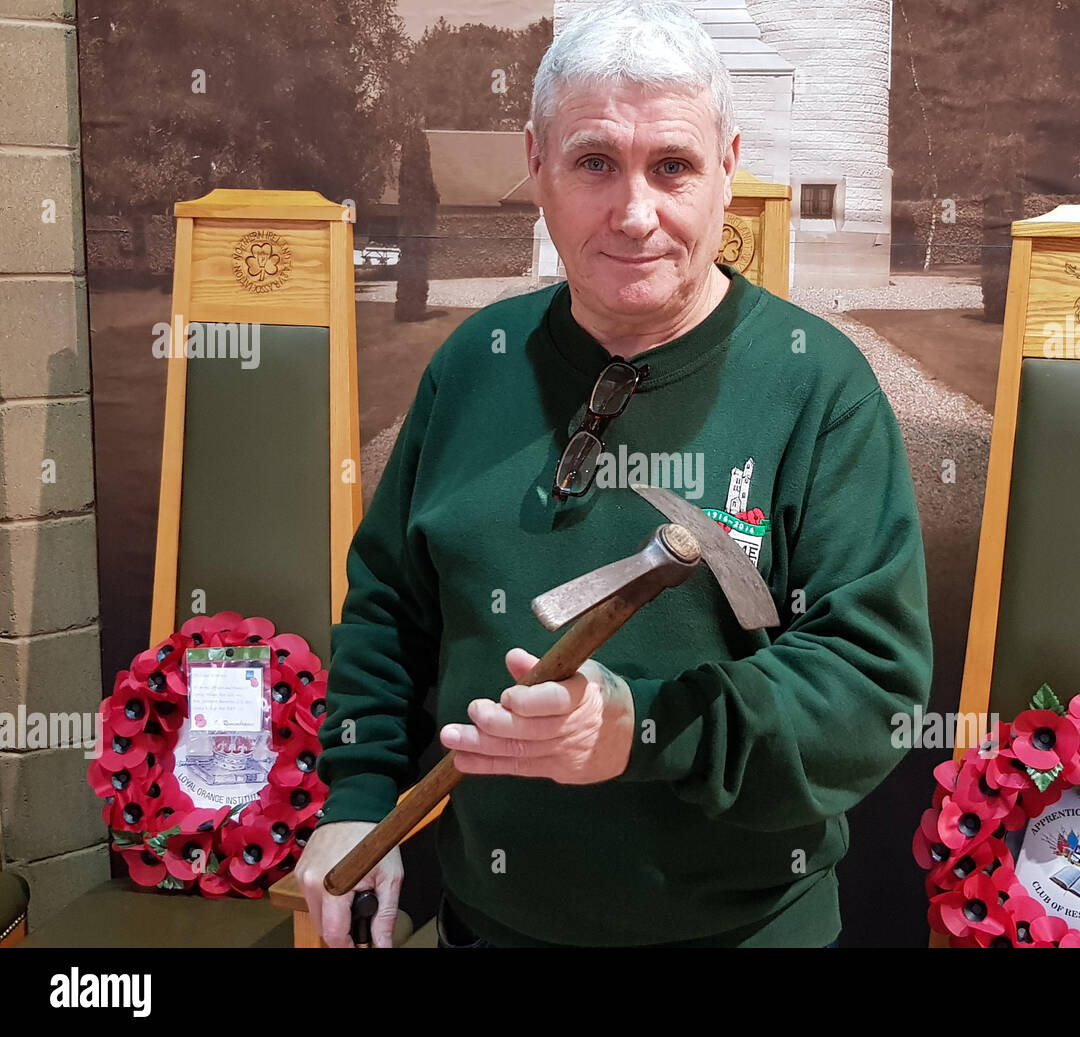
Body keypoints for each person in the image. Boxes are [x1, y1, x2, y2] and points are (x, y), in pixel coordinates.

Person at [296, 0, 933, 948]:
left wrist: (644, 731)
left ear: (727, 168)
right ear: (538, 163)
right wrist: (356, 793)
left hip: (745, 932)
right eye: (596, 161)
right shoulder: (475, 365)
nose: (636, 213)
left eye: (671, 165)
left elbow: (871, 687)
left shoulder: (818, 386)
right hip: (488, 923)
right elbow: (390, 605)